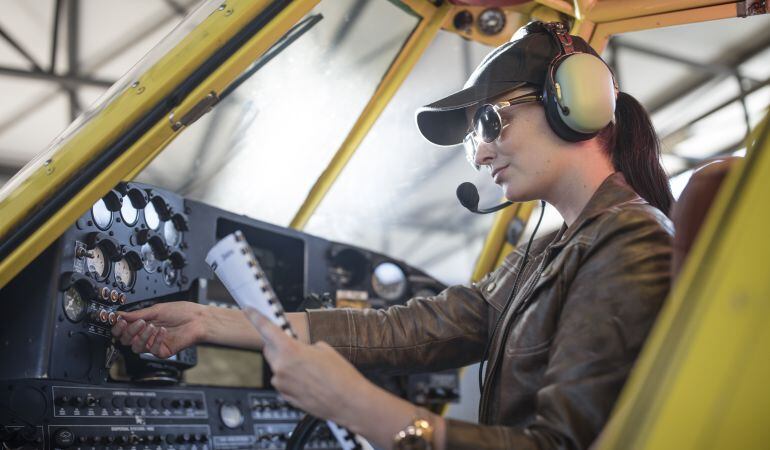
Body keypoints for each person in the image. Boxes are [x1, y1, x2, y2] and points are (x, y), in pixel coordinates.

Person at [112, 22, 673, 449]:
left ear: (574, 101)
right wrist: (210, 321)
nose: (478, 152)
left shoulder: (630, 242)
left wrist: (358, 405)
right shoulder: (552, 250)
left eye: (490, 121)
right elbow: (405, 330)